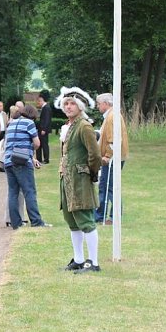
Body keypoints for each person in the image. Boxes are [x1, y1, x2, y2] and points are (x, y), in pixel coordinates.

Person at [57, 87, 102, 273]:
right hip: (67, 179)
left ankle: (94, 262)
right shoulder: (69, 126)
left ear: (80, 106)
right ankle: (78, 259)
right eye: (66, 103)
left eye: (72, 103)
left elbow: (95, 155)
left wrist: (90, 174)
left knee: (85, 220)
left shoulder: (84, 126)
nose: (68, 107)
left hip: (80, 180)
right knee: (72, 221)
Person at [3, 102, 49, 229]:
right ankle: (36, 221)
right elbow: (37, 143)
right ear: (32, 115)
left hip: (8, 161)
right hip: (22, 162)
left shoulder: (11, 123)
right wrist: (31, 149)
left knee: (13, 192)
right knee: (29, 191)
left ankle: (16, 223)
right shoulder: (29, 123)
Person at [94, 92, 129, 225]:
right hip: (115, 156)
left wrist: (108, 155)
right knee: (106, 186)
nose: (97, 106)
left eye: (99, 103)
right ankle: (102, 214)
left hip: (112, 157)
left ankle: (112, 216)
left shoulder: (111, 117)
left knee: (110, 187)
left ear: (106, 104)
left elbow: (112, 139)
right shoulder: (111, 115)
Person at [36, 92, 53, 164]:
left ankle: (46, 159)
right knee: (40, 144)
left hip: (43, 130)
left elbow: (47, 119)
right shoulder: (45, 108)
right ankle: (39, 159)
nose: (38, 102)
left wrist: (44, 129)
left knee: (44, 144)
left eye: (39, 101)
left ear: (41, 100)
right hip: (41, 129)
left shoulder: (46, 108)